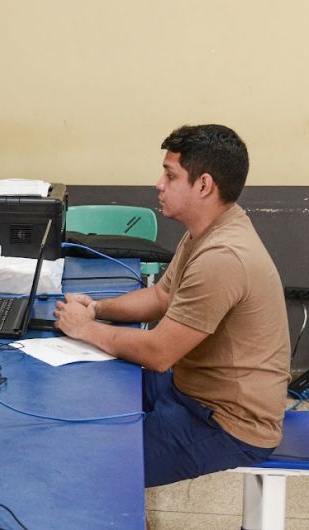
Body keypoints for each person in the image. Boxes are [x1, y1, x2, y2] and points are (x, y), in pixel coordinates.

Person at [53, 124, 290, 487]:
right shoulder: (205, 229)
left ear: (204, 185)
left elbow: (159, 353)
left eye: (170, 174)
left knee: (95, 470)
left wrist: (85, 328)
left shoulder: (223, 256)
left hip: (226, 424)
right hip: (188, 390)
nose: (159, 184)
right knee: (90, 385)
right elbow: (161, 297)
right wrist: (97, 309)